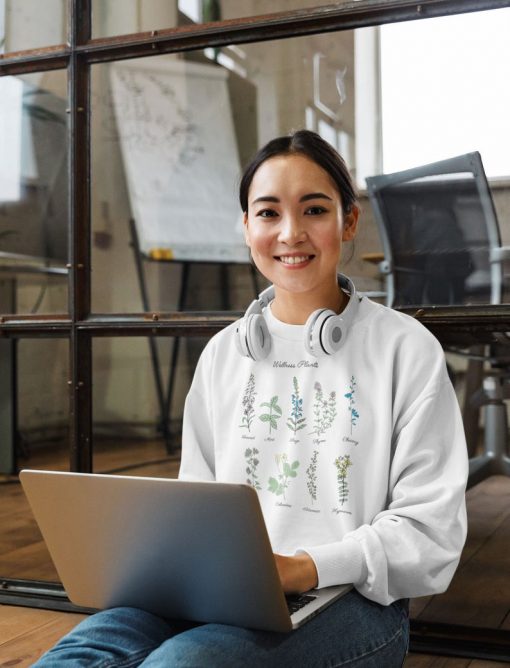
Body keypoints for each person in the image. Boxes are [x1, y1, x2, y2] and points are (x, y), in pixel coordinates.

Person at [34, 130, 468, 667]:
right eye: (267, 213)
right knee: (73, 658)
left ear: (348, 221)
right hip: (212, 591)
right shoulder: (223, 354)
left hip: (355, 601)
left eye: (314, 209)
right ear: (245, 227)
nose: (290, 233)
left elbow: (430, 535)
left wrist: (303, 567)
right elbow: (193, 504)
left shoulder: (405, 349)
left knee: (180, 665)